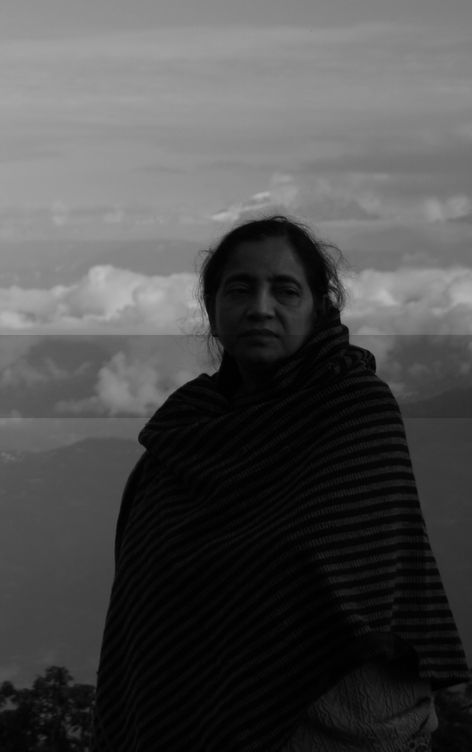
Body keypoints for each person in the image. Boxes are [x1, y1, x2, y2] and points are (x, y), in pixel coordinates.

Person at [93, 215, 468, 751]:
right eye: (240, 288)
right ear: (213, 308)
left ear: (318, 306)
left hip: (344, 733)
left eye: (285, 290)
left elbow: (330, 581)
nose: (260, 308)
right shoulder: (183, 434)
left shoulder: (354, 412)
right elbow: (146, 607)